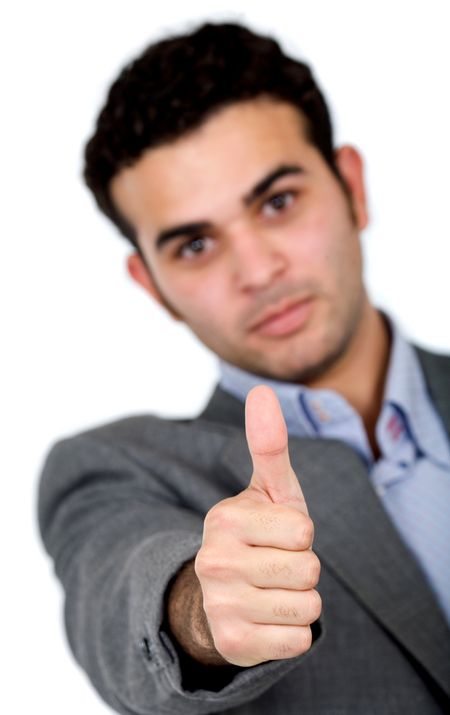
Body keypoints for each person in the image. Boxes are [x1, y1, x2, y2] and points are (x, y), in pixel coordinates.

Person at [38, 21, 450, 715]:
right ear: (152, 285)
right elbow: (118, 591)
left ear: (351, 185)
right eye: (195, 243)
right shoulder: (117, 469)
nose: (257, 270)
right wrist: (198, 611)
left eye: (278, 202)